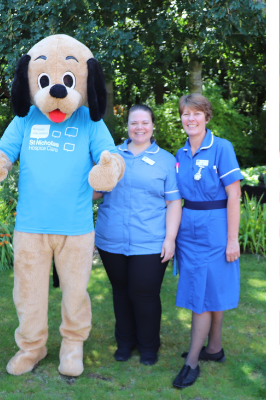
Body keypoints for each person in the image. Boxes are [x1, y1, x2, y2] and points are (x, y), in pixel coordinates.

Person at [94, 105, 182, 366]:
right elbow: (97, 191)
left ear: (153, 125)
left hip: (151, 241)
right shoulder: (110, 156)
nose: (139, 127)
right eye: (134, 123)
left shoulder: (166, 160)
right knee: (120, 292)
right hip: (112, 239)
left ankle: (148, 346)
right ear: (127, 126)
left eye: (145, 122)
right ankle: (125, 343)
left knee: (144, 295)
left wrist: (170, 239)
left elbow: (174, 203)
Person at [171, 94, 243, 389]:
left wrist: (232, 240)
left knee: (202, 293)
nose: (191, 119)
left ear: (207, 117)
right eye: (186, 114)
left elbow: (235, 195)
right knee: (207, 288)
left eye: (196, 114)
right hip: (189, 228)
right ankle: (214, 348)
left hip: (215, 227)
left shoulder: (221, 148)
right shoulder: (179, 153)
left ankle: (191, 363)